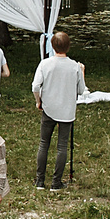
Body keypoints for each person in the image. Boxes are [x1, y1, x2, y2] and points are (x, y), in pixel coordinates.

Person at [30, 29, 88, 189]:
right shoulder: (74, 66)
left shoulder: (45, 63)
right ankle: (56, 182)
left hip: (49, 108)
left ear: (52, 46)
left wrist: (38, 101)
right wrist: (82, 72)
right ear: (68, 47)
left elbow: (35, 86)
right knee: (62, 146)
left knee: (44, 143)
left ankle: (40, 180)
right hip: (67, 111)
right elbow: (81, 90)